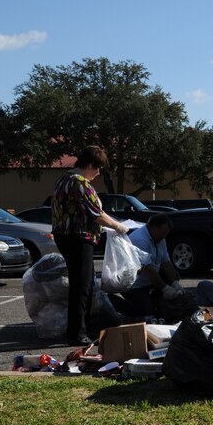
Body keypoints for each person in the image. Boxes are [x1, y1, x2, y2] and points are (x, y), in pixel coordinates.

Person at [51, 145, 128, 346]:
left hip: (64, 236)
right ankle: (77, 334)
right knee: (82, 287)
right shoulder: (80, 183)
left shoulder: (63, 179)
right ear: (91, 164)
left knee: (80, 285)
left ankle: (80, 329)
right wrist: (118, 226)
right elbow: (97, 214)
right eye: (99, 167)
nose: (99, 172)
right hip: (78, 238)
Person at [117, 213, 184, 319]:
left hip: (148, 280)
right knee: (147, 315)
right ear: (153, 228)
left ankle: (154, 300)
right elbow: (148, 271)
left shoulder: (159, 238)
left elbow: (166, 262)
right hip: (133, 285)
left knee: (174, 275)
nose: (164, 237)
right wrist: (165, 288)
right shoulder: (140, 240)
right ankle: (112, 301)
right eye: (163, 233)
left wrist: (174, 283)